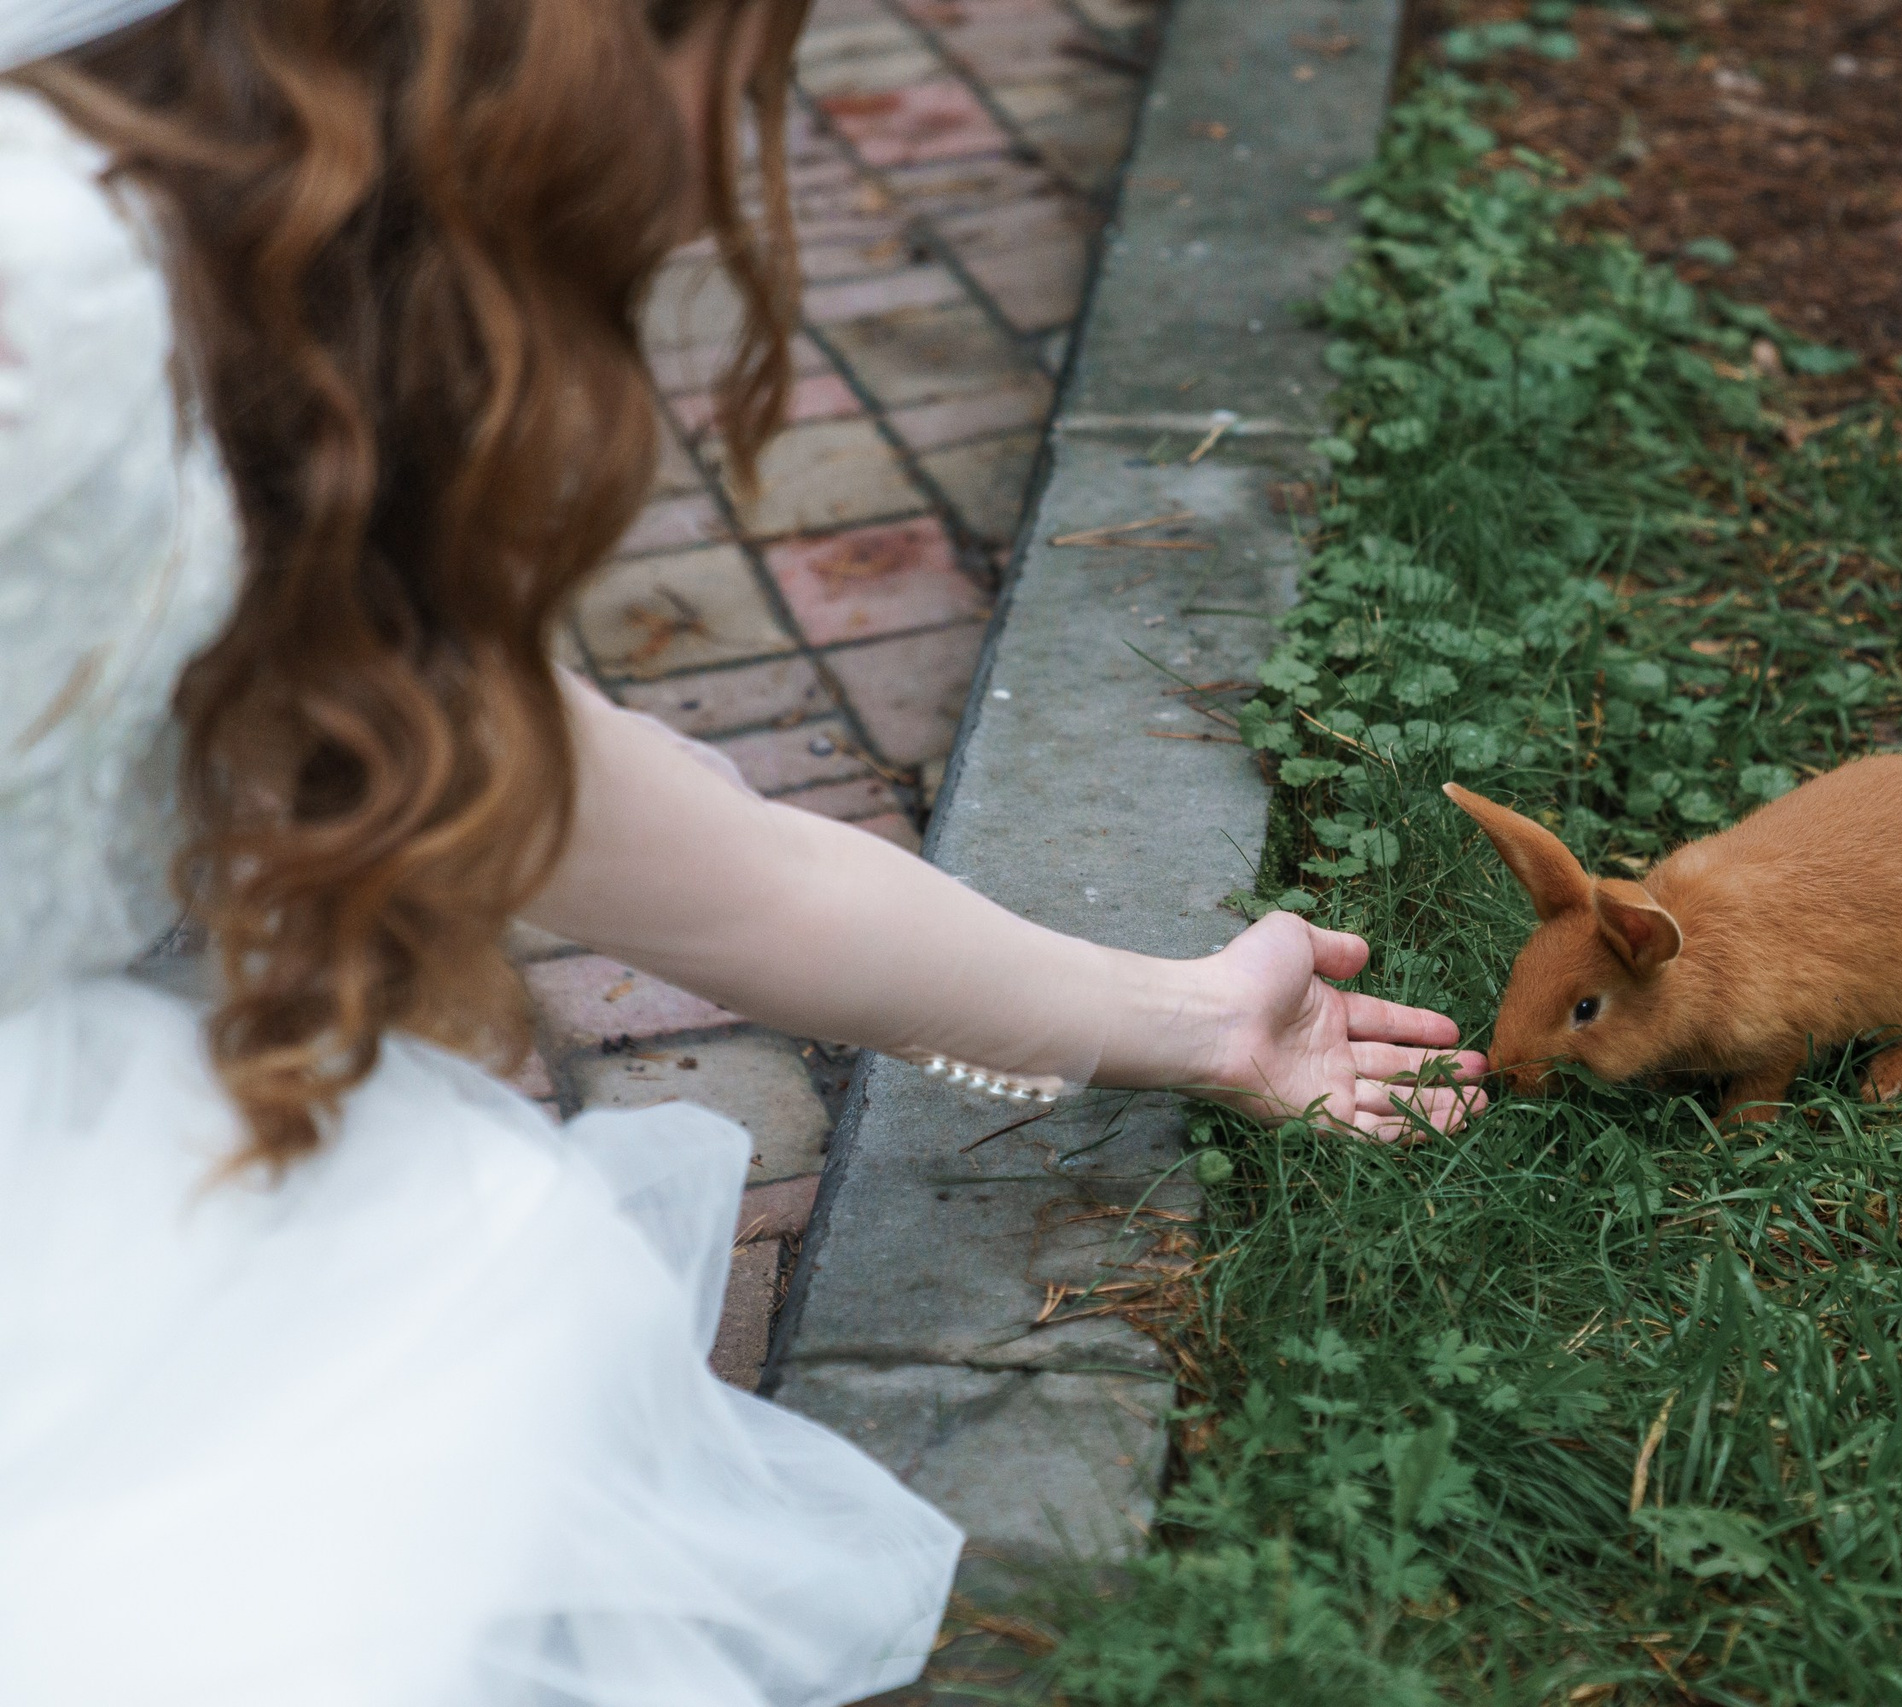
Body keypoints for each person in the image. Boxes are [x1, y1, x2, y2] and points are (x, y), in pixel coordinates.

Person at [0, 1, 1486, 1701]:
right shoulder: (57, 308)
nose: (728, 173)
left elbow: (718, 867)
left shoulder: (227, 355)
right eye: (758, 74)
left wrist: (1201, 1020)